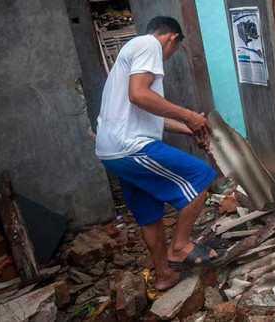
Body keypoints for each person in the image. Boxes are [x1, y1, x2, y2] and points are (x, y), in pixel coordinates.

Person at [95, 16, 223, 291]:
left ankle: (164, 273)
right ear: (171, 38)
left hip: (113, 151)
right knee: (201, 176)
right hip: (131, 146)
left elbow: (149, 114)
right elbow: (139, 96)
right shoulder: (147, 44)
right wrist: (189, 114)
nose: (167, 57)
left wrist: (189, 128)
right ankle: (179, 247)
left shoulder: (130, 56)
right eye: (173, 52)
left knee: (148, 213)